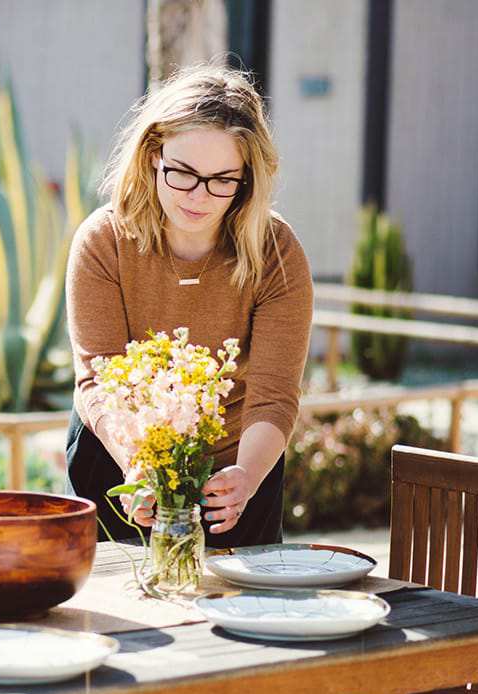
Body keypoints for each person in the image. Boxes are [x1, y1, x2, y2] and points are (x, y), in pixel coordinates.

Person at [66, 63, 314, 554]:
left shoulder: (277, 252)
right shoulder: (103, 241)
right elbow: (100, 380)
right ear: (153, 156)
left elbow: (274, 395)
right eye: (181, 173)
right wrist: (136, 465)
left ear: (246, 180)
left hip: (238, 470)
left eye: (222, 179)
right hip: (119, 459)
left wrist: (245, 477)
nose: (199, 196)